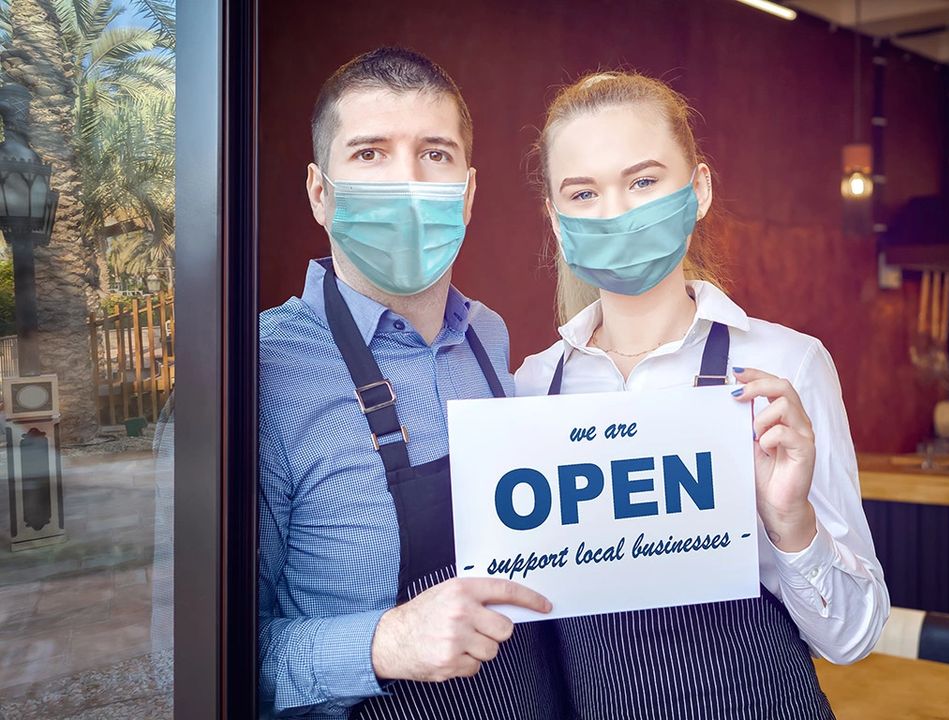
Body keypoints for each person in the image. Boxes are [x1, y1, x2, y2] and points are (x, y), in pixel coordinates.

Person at [515, 71, 891, 719]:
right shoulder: (530, 388)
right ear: (554, 219)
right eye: (583, 192)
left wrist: (790, 520)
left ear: (699, 189)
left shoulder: (783, 367)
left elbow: (853, 640)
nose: (618, 213)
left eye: (643, 181)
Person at [257, 48, 563, 719]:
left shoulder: (489, 336)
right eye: (369, 154)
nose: (406, 182)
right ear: (319, 193)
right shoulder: (262, 374)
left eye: (435, 154)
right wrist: (383, 643)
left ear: (469, 192)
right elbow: (200, 663)